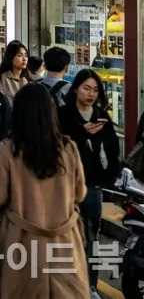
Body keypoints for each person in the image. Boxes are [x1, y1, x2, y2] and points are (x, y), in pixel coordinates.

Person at [0, 84, 89, 297]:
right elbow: (80, 194)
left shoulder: (7, 149)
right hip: (64, 240)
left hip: (21, 243)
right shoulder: (68, 148)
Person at [57, 69, 120, 295]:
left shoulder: (101, 116)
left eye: (95, 90)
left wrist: (110, 177)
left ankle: (89, 285)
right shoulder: (63, 115)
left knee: (91, 238)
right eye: (86, 88)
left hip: (92, 185)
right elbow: (58, 147)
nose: (91, 94)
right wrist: (81, 133)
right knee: (67, 236)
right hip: (66, 186)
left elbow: (113, 151)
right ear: (76, 89)